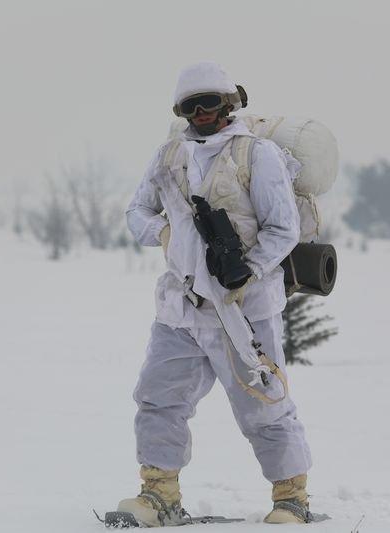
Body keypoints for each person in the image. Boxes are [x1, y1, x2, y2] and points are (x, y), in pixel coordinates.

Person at [121, 62, 314, 526]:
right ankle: (158, 494)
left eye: (212, 102)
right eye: (193, 105)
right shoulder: (169, 155)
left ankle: (291, 498)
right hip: (180, 308)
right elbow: (136, 211)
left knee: (264, 405)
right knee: (158, 399)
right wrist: (163, 233)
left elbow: (282, 228)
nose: (203, 112)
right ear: (182, 110)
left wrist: (247, 270)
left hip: (244, 311)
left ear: (230, 103)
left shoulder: (257, 155)